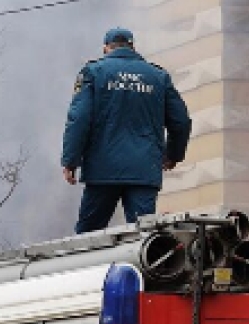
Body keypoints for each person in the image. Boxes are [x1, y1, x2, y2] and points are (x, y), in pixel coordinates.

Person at [61, 28, 192, 234]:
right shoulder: (158, 76)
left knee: (87, 239)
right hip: (144, 169)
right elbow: (181, 121)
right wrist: (173, 155)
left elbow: (79, 119)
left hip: (102, 169)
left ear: (106, 48)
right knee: (144, 236)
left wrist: (70, 160)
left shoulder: (93, 72)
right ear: (132, 47)